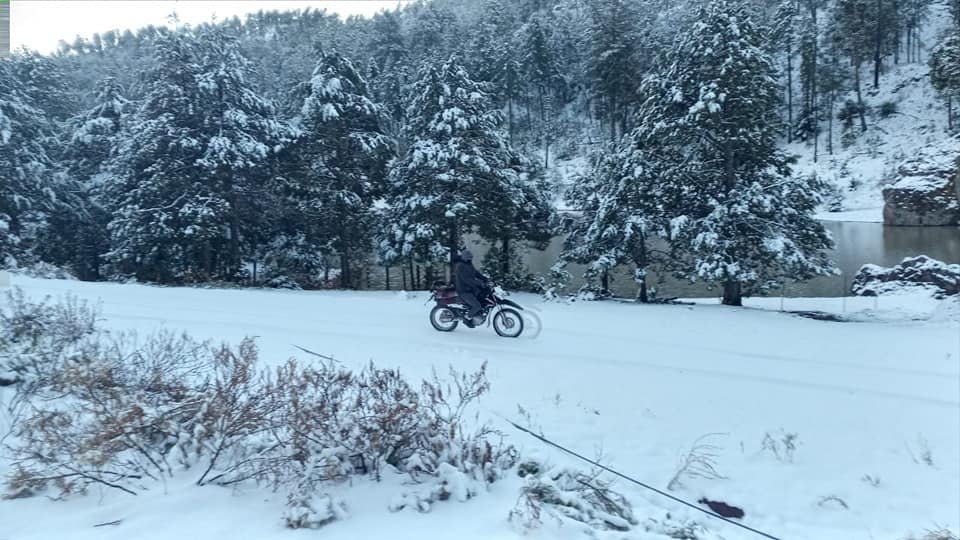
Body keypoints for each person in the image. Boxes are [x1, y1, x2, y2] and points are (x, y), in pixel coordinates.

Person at [454, 249, 490, 325]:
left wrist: (484, 279)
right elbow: (467, 280)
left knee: (482, 299)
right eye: (469, 258)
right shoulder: (460, 266)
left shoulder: (468, 264)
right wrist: (480, 283)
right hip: (463, 290)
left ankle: (476, 314)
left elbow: (476, 273)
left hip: (471, 289)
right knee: (477, 305)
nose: (470, 259)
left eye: (471, 258)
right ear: (465, 257)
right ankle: (467, 317)